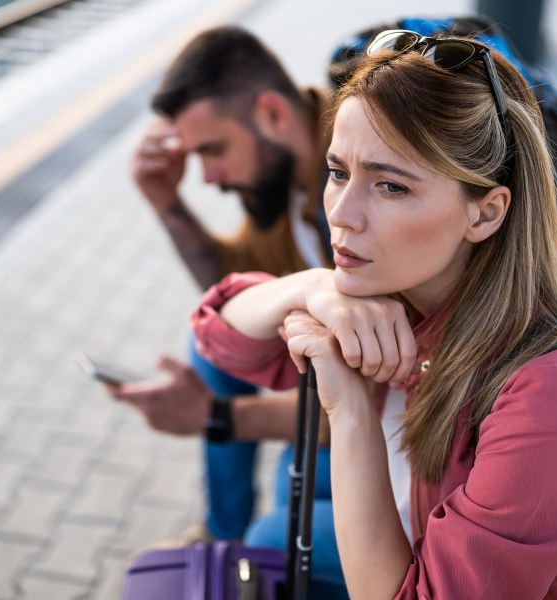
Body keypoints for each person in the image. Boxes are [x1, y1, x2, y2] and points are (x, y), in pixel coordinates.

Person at [191, 29, 557, 598]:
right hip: (426, 513)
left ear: (484, 215)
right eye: (338, 172)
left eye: (390, 186)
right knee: (280, 518)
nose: (341, 215)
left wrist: (352, 413)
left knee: (272, 531)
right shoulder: (404, 289)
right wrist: (312, 289)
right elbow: (219, 337)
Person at [107, 26, 335, 545]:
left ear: (273, 115)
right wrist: (166, 202)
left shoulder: (356, 183)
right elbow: (230, 289)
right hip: (345, 386)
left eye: (213, 149)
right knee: (210, 346)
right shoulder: (285, 184)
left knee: (279, 525)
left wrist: (213, 415)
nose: (206, 176)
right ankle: (222, 537)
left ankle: (249, 552)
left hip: (418, 431)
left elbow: (373, 402)